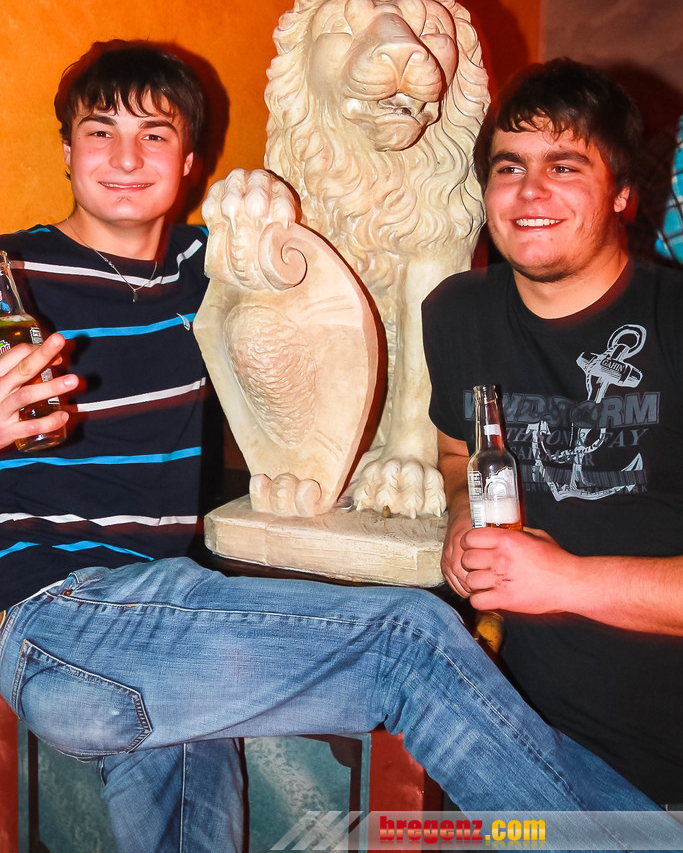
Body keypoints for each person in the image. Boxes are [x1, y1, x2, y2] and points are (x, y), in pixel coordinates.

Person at [0, 43, 679, 853]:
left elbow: (337, 268)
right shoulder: (9, 275)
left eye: (153, 135)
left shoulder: (215, 266)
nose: (124, 158)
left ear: (188, 162)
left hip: (168, 644)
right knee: (409, 640)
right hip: (55, 618)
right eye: (99, 132)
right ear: (65, 150)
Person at [422, 57, 683, 812]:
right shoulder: (456, 313)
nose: (530, 191)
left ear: (623, 193)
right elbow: (456, 451)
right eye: (510, 167)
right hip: (520, 748)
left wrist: (561, 580)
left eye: (563, 166)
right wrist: (462, 515)